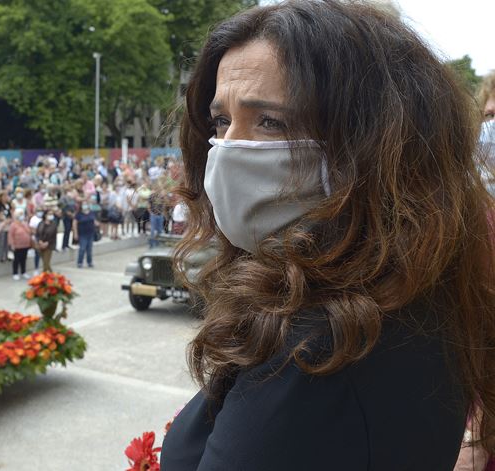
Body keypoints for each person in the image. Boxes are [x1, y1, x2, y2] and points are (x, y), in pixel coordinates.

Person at [159, 2, 495, 469]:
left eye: (270, 121)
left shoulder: (321, 351)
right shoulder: (417, 287)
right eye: (221, 121)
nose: (229, 148)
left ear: (370, 142)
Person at [7, 208, 32, 280]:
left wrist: (24, 224)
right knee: (17, 260)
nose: (22, 216)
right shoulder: (13, 225)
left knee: (24, 259)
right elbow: (10, 235)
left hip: (25, 245)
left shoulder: (25, 223)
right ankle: (15, 273)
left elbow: (29, 231)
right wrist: (12, 244)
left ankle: (23, 272)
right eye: (20, 214)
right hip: (17, 245)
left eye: (22, 214)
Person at [73, 203, 96, 268]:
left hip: (90, 234)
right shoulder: (79, 214)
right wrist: (75, 233)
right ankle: (80, 262)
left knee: (89, 249)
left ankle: (89, 262)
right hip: (82, 234)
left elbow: (94, 221)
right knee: (82, 249)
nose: (85, 205)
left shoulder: (91, 212)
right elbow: (74, 224)